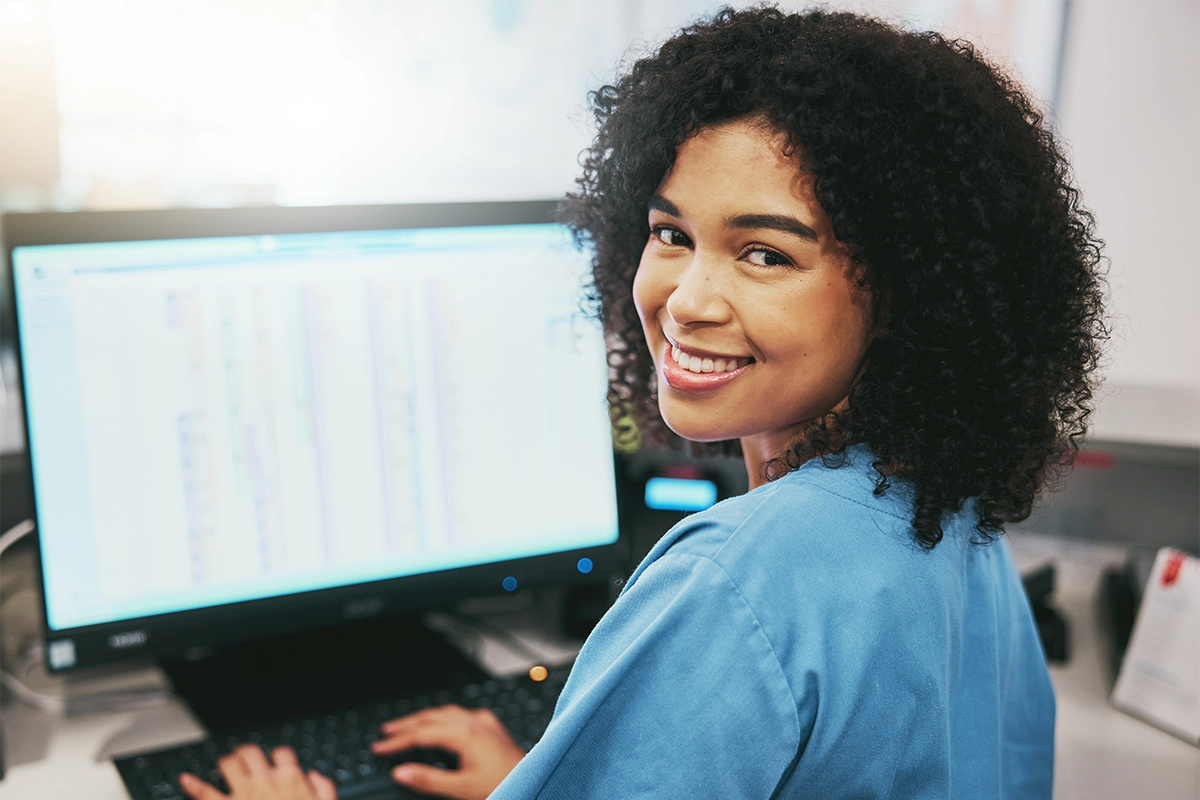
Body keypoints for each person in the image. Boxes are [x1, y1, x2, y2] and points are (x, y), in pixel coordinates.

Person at [180, 6, 1105, 800]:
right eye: (671, 232)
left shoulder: (738, 580)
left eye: (766, 253)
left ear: (908, 292)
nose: (687, 299)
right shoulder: (959, 523)